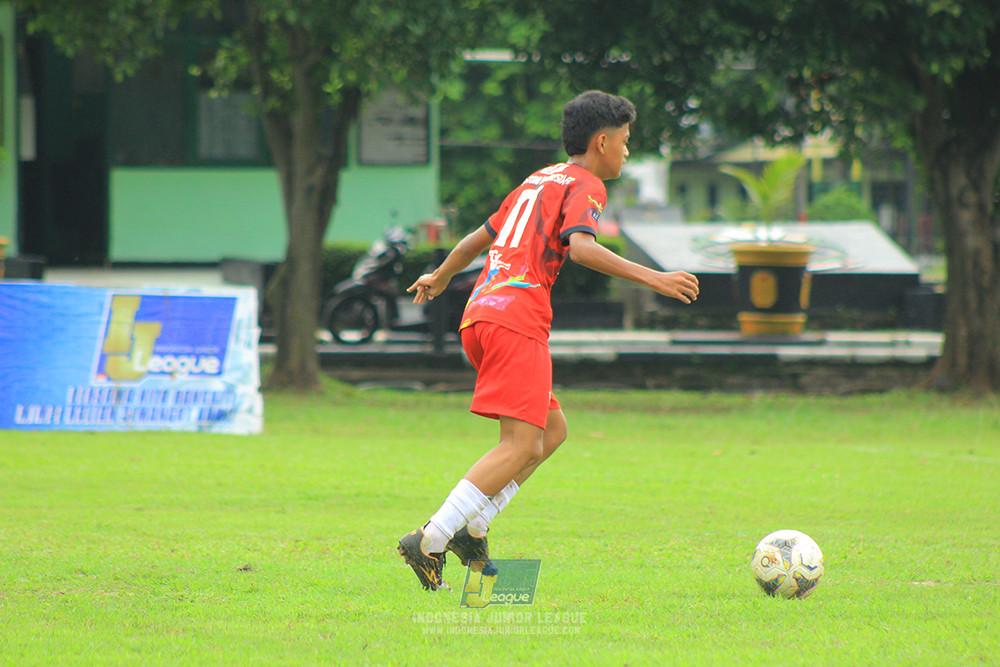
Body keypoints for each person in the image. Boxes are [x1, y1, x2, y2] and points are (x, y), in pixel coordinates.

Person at [397, 90, 700, 591]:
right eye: (625, 141)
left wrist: (444, 275)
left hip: (482, 316)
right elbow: (581, 248)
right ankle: (431, 537)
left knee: (551, 433)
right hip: (517, 318)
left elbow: (480, 237)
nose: (627, 151)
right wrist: (657, 278)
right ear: (602, 142)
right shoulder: (587, 185)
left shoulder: (538, 179)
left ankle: (473, 528)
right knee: (520, 446)